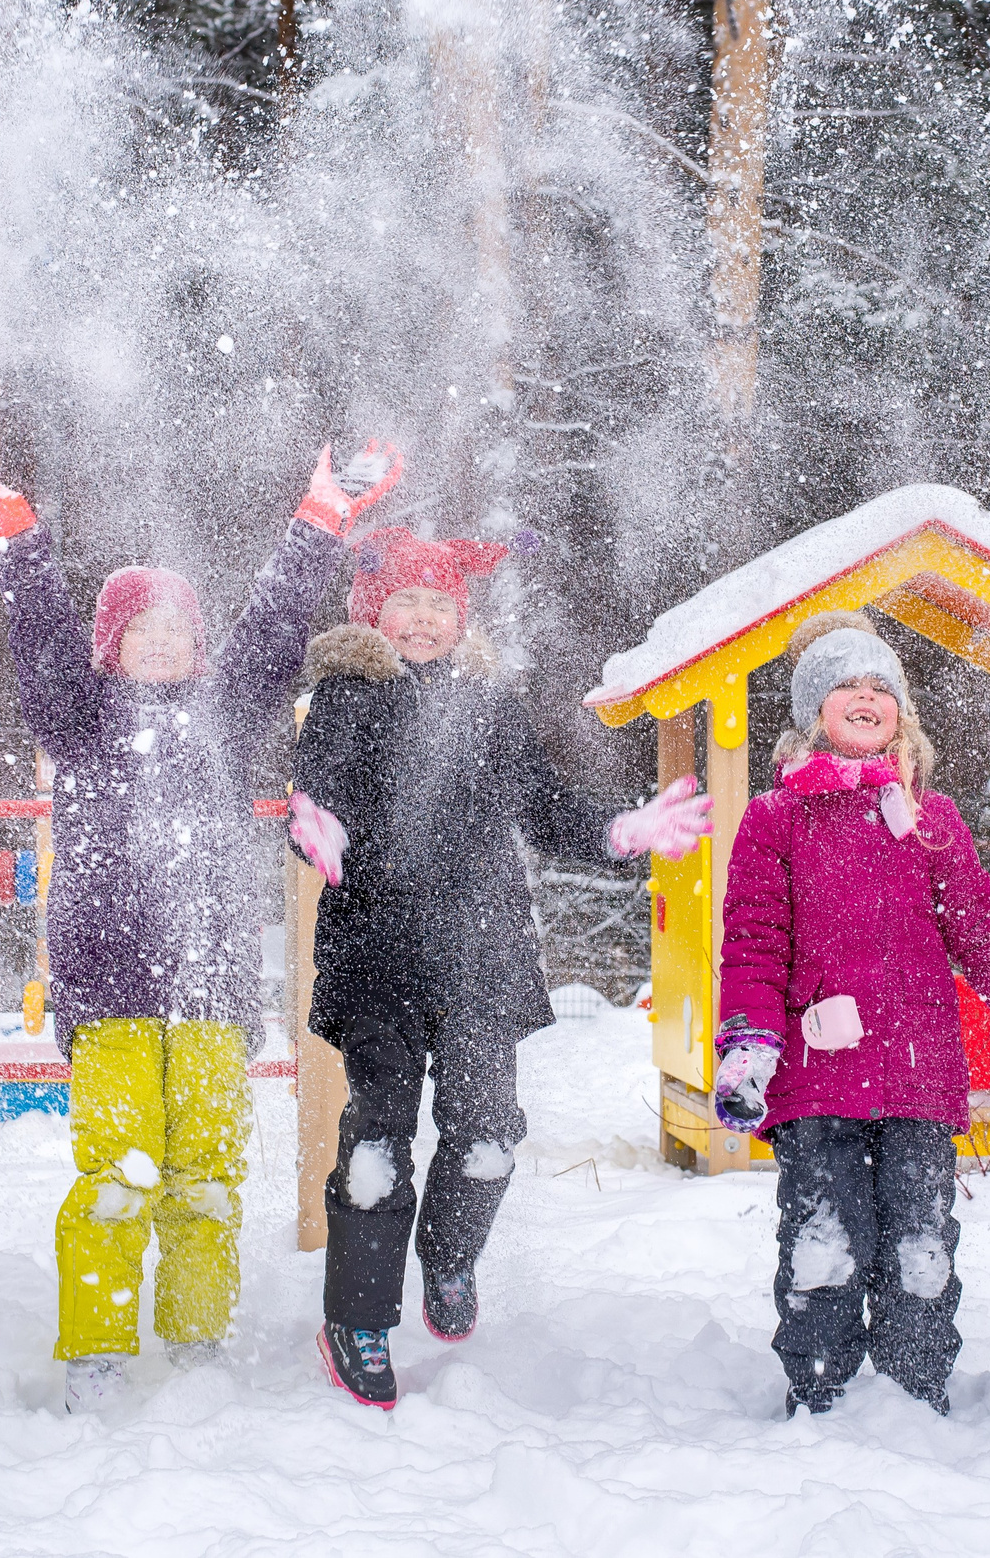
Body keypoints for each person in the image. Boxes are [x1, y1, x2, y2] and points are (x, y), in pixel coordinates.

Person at [0, 428, 403, 1411]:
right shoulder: (79, 717)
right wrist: (11, 530)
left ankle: (195, 1341)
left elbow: (269, 631)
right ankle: (95, 1347)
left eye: (180, 627)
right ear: (113, 644)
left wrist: (318, 522)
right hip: (112, 991)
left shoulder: (224, 714)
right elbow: (43, 631)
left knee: (208, 1181)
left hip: (211, 994)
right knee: (117, 1175)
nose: (168, 641)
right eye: (146, 629)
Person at [287, 527, 711, 1408]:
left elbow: (546, 803)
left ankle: (448, 1259)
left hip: (480, 957)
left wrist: (616, 831)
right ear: (375, 609)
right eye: (406, 600)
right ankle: (359, 1318)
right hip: (378, 955)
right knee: (375, 1148)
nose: (424, 618)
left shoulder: (488, 706)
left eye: (440, 603)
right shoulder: (345, 696)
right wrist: (315, 820)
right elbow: (316, 777)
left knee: (486, 1135)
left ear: (460, 616)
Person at [708, 610, 990, 1418]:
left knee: (921, 1247)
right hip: (817, 1078)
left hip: (918, 1075)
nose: (866, 696)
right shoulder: (776, 819)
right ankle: (823, 1396)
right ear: (815, 711)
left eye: (882, 685)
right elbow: (754, 943)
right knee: (823, 1245)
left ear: (902, 714)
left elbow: (985, 937)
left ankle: (917, 1398)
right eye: (846, 683)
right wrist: (748, 1049)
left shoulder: (931, 819)